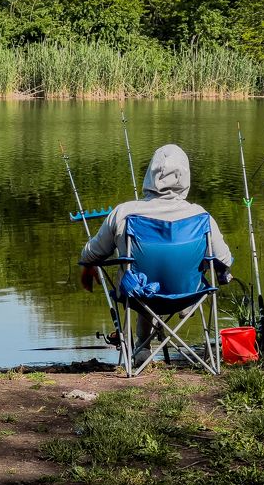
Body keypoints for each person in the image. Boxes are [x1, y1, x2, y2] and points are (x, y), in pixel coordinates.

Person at [79, 143, 233, 366]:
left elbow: (91, 253)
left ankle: (143, 346)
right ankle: (185, 320)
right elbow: (225, 259)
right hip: (188, 294)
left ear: (149, 175)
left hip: (139, 297)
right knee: (180, 274)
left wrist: (88, 265)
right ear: (185, 176)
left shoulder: (124, 212)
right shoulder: (200, 216)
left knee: (139, 279)